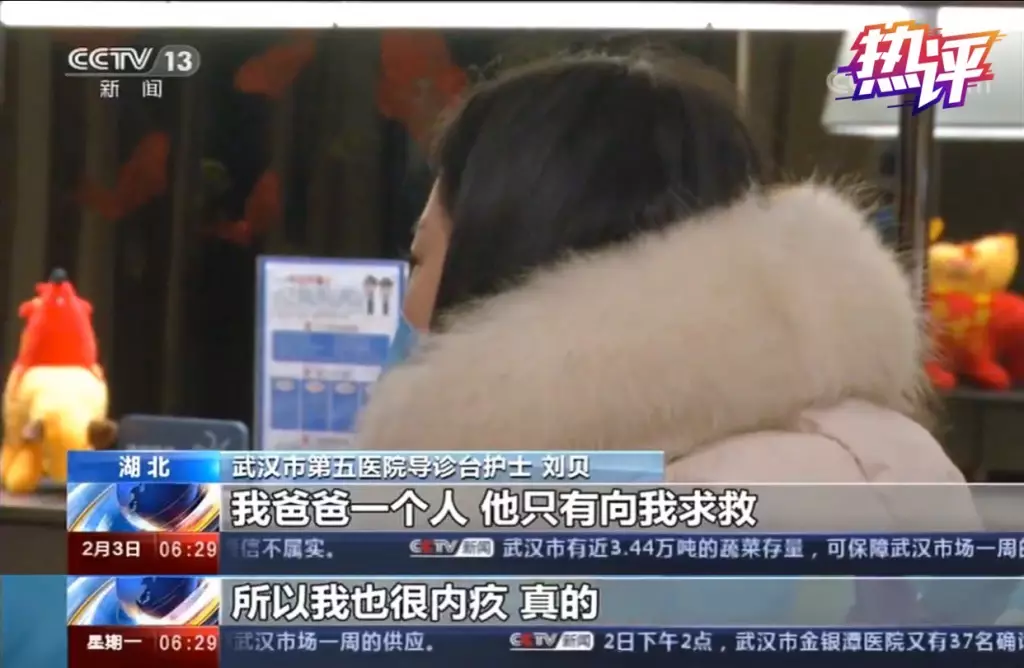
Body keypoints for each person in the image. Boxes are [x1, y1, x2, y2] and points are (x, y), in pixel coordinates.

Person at [358, 51, 1002, 623]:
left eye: (419, 259)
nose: (407, 300)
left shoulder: (624, 561)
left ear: (503, 274)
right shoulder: (865, 458)